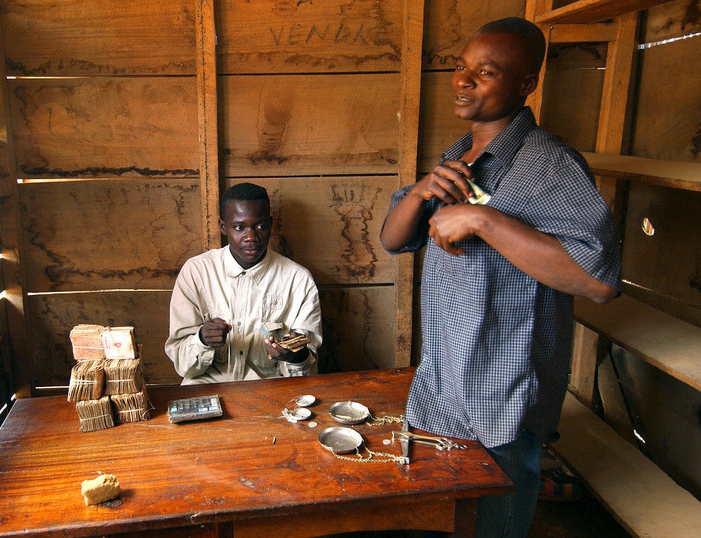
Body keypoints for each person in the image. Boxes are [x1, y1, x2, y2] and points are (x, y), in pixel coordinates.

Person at [380, 17, 621, 537]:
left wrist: (484, 220)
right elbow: (393, 239)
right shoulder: (458, 155)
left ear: (526, 84)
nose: (463, 81)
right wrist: (422, 190)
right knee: (448, 521)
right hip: (441, 386)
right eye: (461, 68)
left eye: (484, 73)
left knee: (496, 527)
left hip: (501, 397)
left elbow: (597, 280)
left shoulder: (551, 166)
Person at [166, 182, 322, 384]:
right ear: (223, 227)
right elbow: (182, 365)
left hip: (270, 387)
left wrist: (295, 356)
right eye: (239, 227)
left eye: (261, 226)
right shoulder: (196, 272)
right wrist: (202, 340)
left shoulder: (299, 280)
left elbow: (307, 372)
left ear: (270, 224)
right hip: (207, 384)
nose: (251, 237)